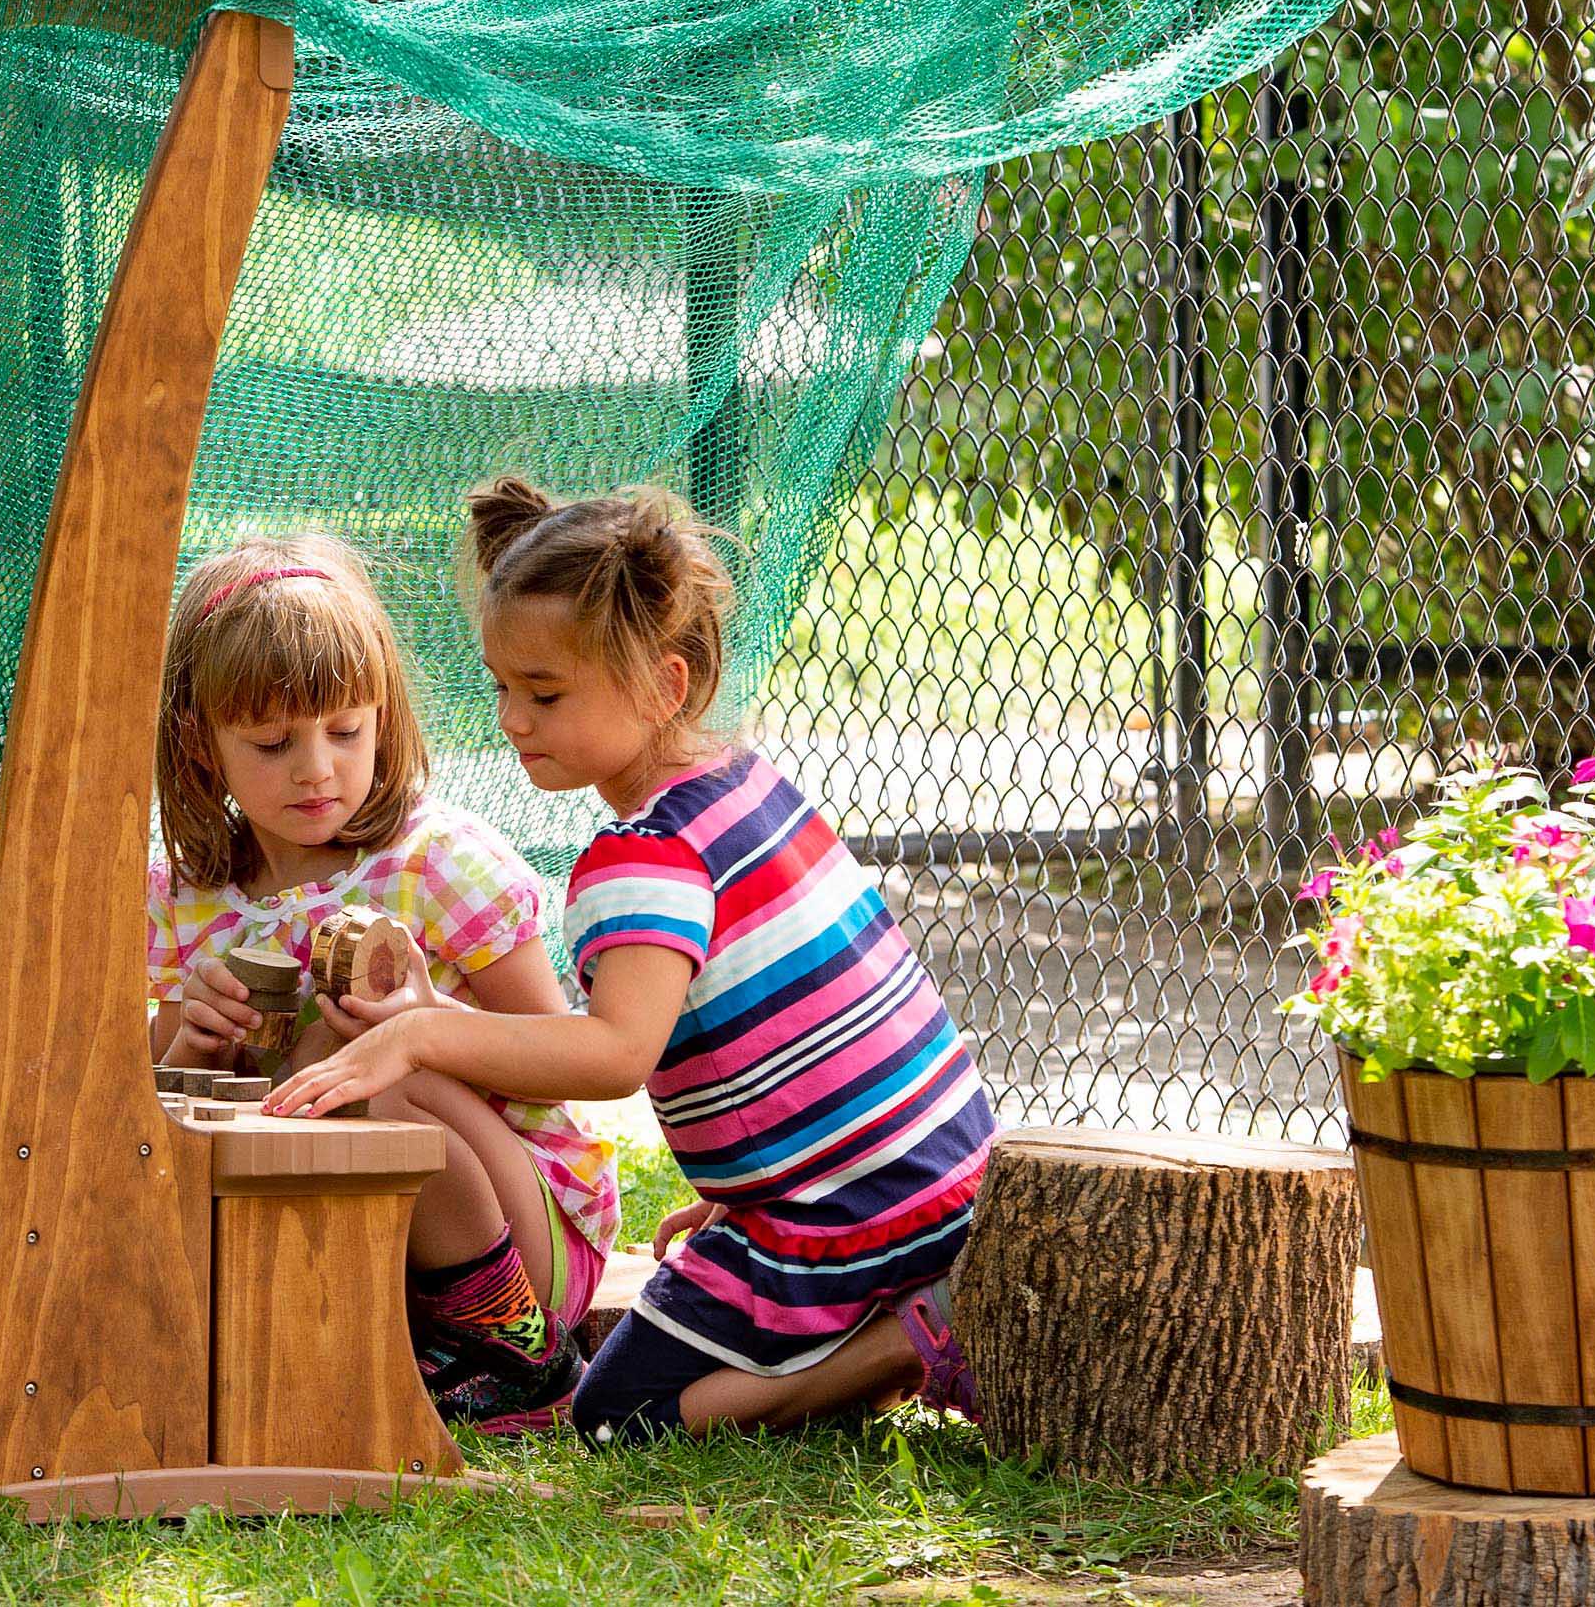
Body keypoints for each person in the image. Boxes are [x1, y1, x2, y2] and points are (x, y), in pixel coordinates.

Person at [270, 479, 993, 1442]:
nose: (513, 721)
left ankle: (900, 1347)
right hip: (942, 1172)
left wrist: (420, 1034)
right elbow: (804, 1039)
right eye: (503, 688)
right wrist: (745, 1197)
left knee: (616, 1415)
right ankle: (874, 1312)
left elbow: (616, 1054)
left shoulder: (642, 857)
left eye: (546, 693)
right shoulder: (751, 786)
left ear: (665, 683)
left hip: (847, 1215)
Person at [148, 534, 617, 1432]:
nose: (316, 767)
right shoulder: (185, 899)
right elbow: (152, 1092)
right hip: (340, 1251)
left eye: (345, 731)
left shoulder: (434, 864)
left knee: (363, 1059)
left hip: (521, 1243)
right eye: (272, 741)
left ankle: (514, 1359)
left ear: (383, 719)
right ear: (200, 745)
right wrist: (189, 1035)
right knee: (322, 1066)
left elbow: (564, 1056)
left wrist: (425, 1021)